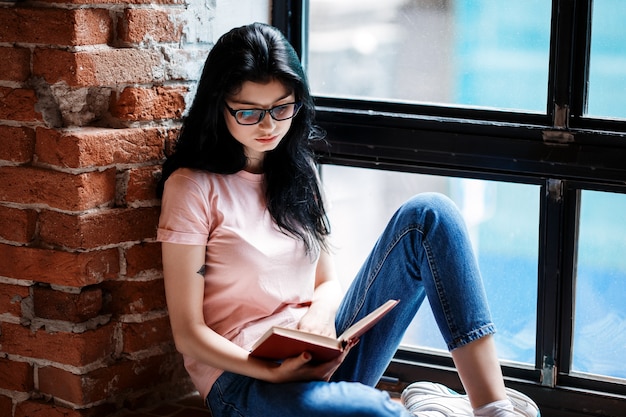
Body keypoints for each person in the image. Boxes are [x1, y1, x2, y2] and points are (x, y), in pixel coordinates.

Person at [156, 22, 540, 417]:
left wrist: (320, 320)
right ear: (219, 106)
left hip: (322, 352)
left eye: (282, 108)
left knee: (430, 215)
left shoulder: (299, 169)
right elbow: (189, 333)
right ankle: (427, 408)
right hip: (245, 382)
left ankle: (494, 408)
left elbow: (326, 282)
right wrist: (272, 373)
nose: (269, 126)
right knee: (368, 411)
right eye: (249, 112)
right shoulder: (191, 188)